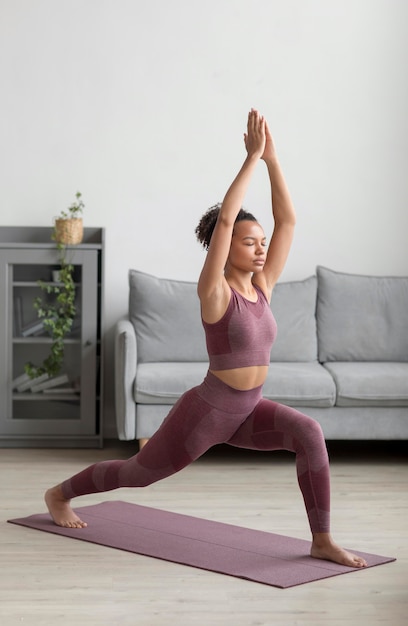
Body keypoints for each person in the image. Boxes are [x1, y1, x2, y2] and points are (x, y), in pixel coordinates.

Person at [45, 109, 367, 568]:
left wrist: (274, 161)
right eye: (249, 242)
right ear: (227, 247)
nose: (260, 248)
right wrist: (250, 159)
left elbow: (288, 221)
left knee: (309, 433)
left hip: (249, 409)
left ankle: (321, 539)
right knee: (139, 476)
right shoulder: (214, 292)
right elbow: (224, 220)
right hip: (209, 412)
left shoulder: (263, 286)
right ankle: (60, 493)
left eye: (261, 242)